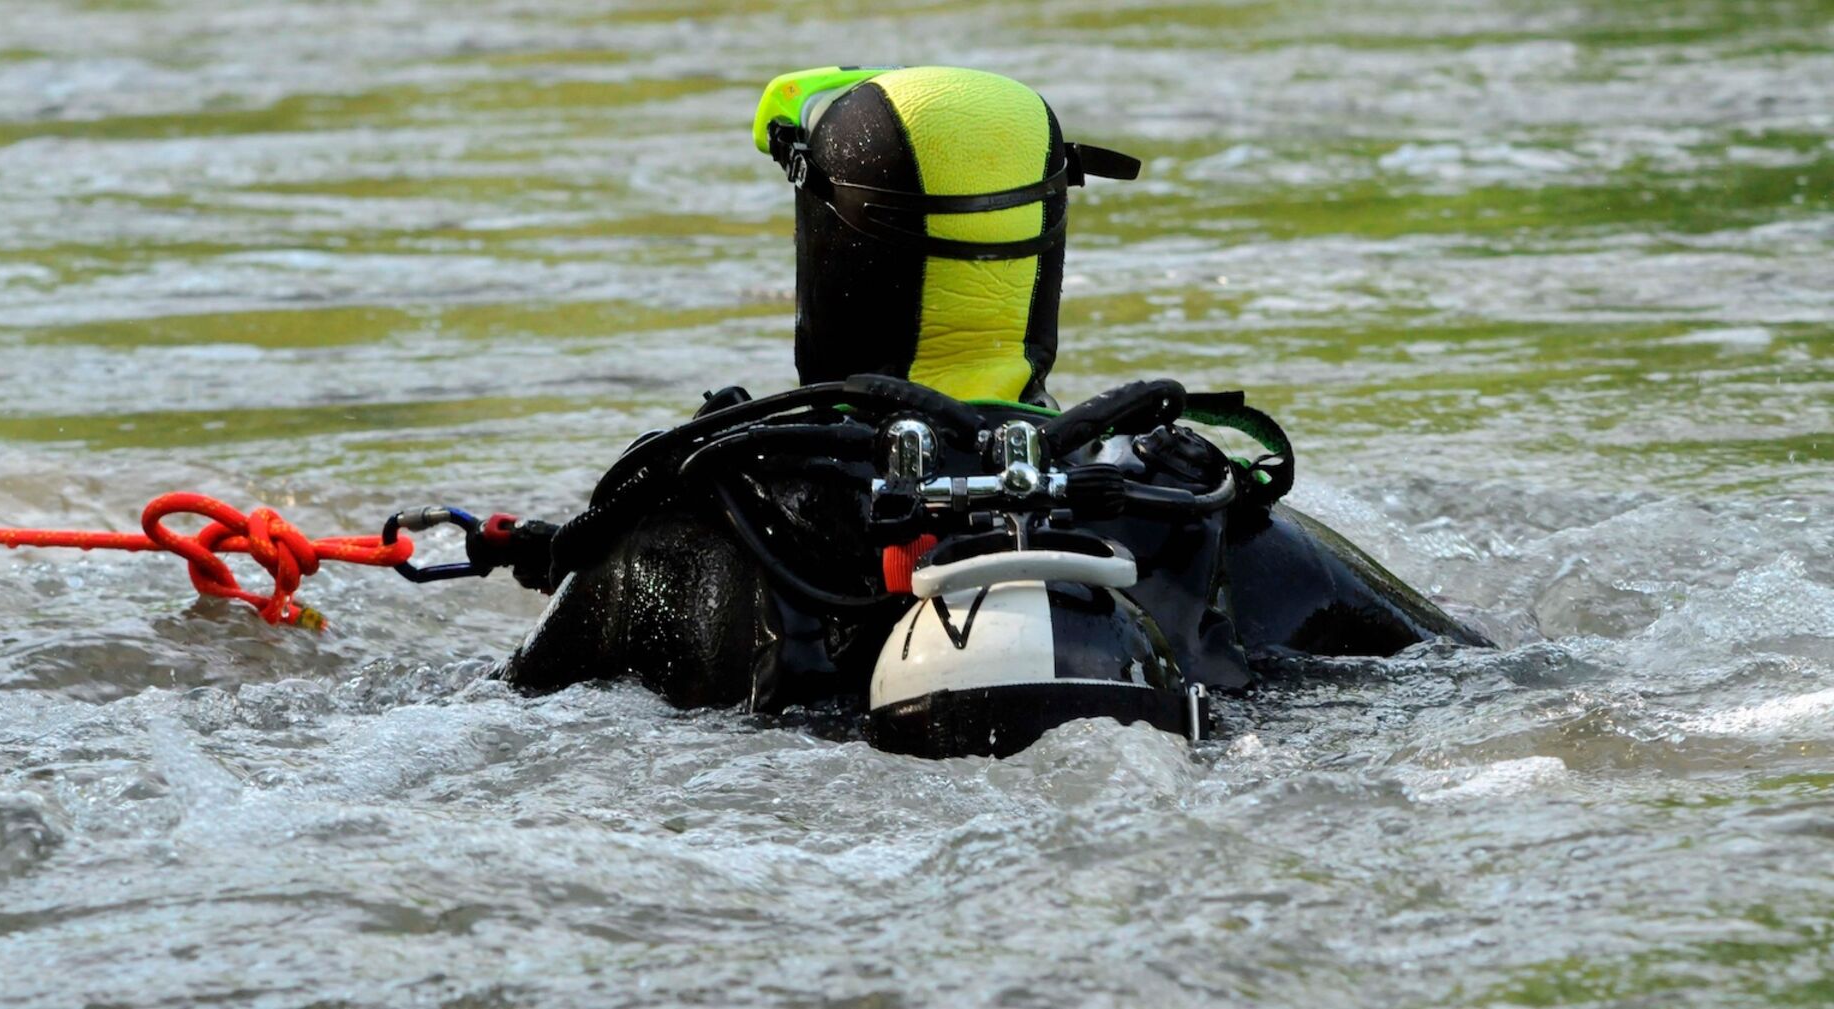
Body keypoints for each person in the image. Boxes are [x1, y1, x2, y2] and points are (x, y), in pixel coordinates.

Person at [500, 66, 1489, 753]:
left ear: (828, 252)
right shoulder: (1198, 514)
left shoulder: (699, 529)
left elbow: (512, 712)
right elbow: (1489, 678)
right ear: (1043, 246)